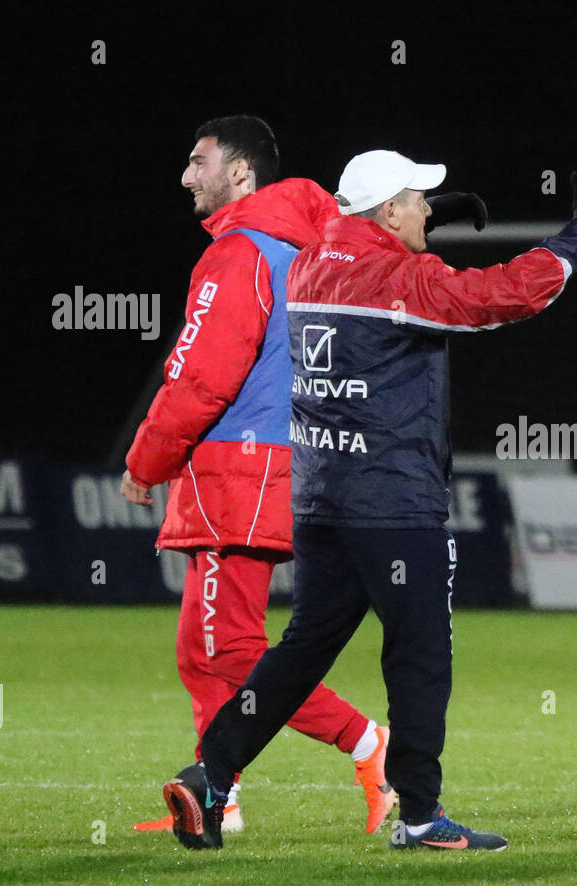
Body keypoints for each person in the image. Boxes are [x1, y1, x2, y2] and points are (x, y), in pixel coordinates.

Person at [161, 149, 577, 852]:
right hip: (393, 504)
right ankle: (420, 816)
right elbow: (502, 295)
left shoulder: (312, 263)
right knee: (419, 656)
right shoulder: (399, 279)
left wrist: (421, 220)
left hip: (321, 501)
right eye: (419, 199)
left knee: (299, 652)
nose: (427, 210)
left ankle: (211, 771)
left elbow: (372, 253)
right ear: (388, 211)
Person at [122, 115, 398, 836]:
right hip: (274, 462)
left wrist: (146, 459)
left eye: (198, 161)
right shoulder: (296, 249)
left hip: (237, 468)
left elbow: (201, 377)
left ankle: (370, 745)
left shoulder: (240, 251)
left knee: (230, 647)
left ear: (241, 173)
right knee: (200, 647)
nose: (187, 177)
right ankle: (218, 798)